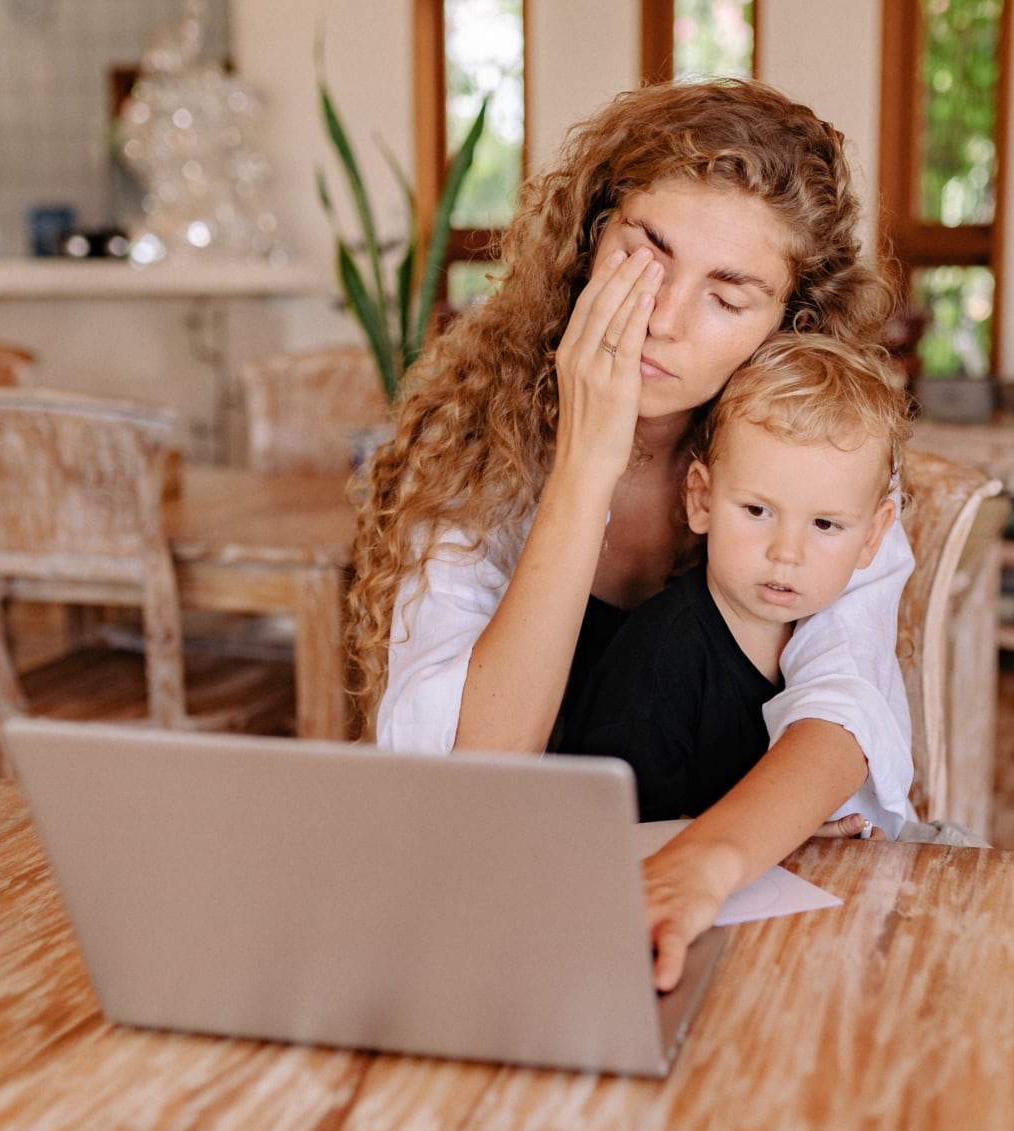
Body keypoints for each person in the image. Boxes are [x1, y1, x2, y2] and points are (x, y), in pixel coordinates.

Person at [347, 79, 912, 992]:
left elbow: (844, 710)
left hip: (733, 889)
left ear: (787, 325)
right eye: (643, 258)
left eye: (728, 298)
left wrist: (706, 866)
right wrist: (585, 461)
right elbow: (469, 768)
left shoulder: (817, 463)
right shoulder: (466, 446)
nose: (661, 318)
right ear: (586, 242)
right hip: (512, 899)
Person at [558, 332, 911, 828]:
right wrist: (792, 841)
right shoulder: (660, 663)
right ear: (701, 500)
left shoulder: (825, 640)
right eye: (758, 510)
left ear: (872, 537)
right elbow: (616, 836)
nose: (786, 552)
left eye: (825, 524)